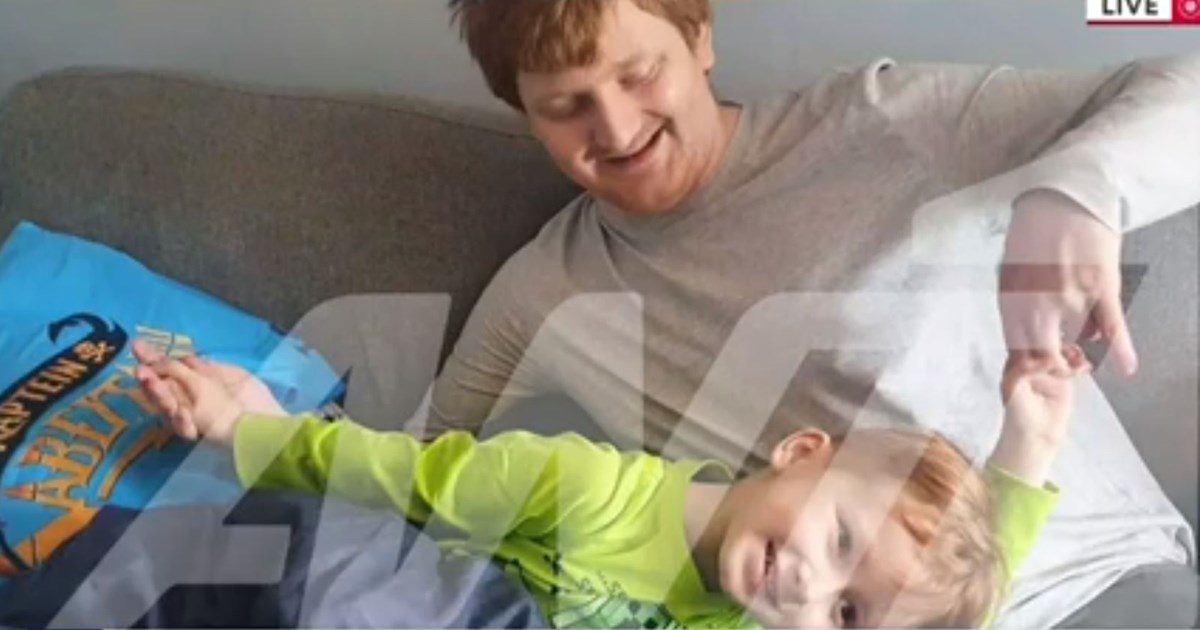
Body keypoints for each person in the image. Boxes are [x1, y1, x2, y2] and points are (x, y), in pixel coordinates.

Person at [421, 1, 1200, 626]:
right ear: (525, 113)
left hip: (1095, 586)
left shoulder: (875, 122)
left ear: (699, 37)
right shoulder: (545, 293)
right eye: (566, 106)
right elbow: (416, 470)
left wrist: (1080, 190)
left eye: (639, 73)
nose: (618, 129)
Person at [132, 339, 1088, 628]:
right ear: (802, 452)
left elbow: (949, 608)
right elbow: (400, 479)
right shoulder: (579, 487)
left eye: (847, 616)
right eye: (840, 541)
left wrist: (1030, 452)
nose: (811, 587)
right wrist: (251, 430)